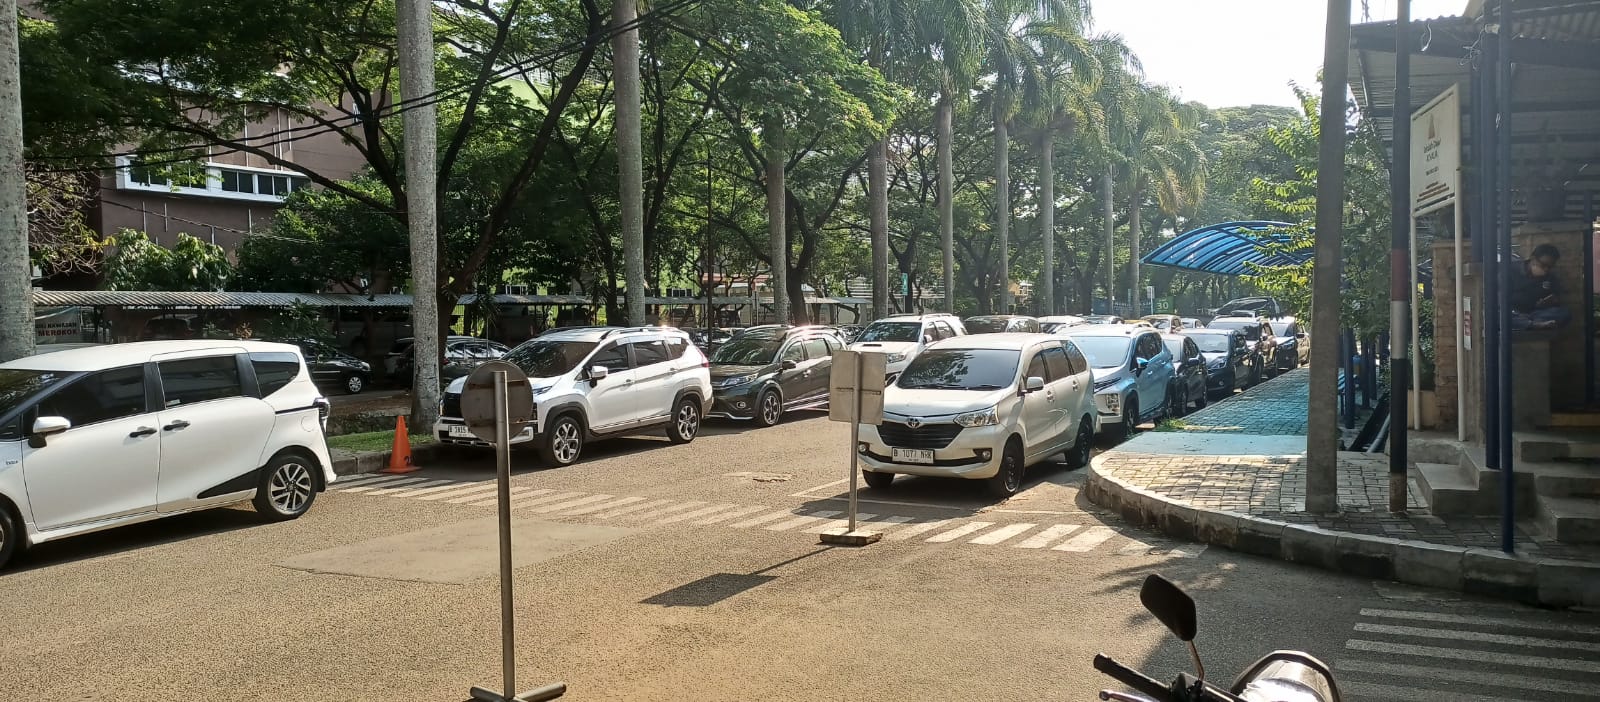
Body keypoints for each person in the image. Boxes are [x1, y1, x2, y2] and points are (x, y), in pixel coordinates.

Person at [1509, 243, 1572, 331]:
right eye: (1543, 264)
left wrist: (1549, 302)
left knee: (1564, 313)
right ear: (1533, 258)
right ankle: (1530, 323)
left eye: (1550, 267)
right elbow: (1501, 299)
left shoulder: (1550, 277)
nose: (1546, 269)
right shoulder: (1511, 270)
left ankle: (1527, 323)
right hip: (1513, 311)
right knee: (1498, 314)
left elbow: (1555, 297)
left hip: (1534, 313)